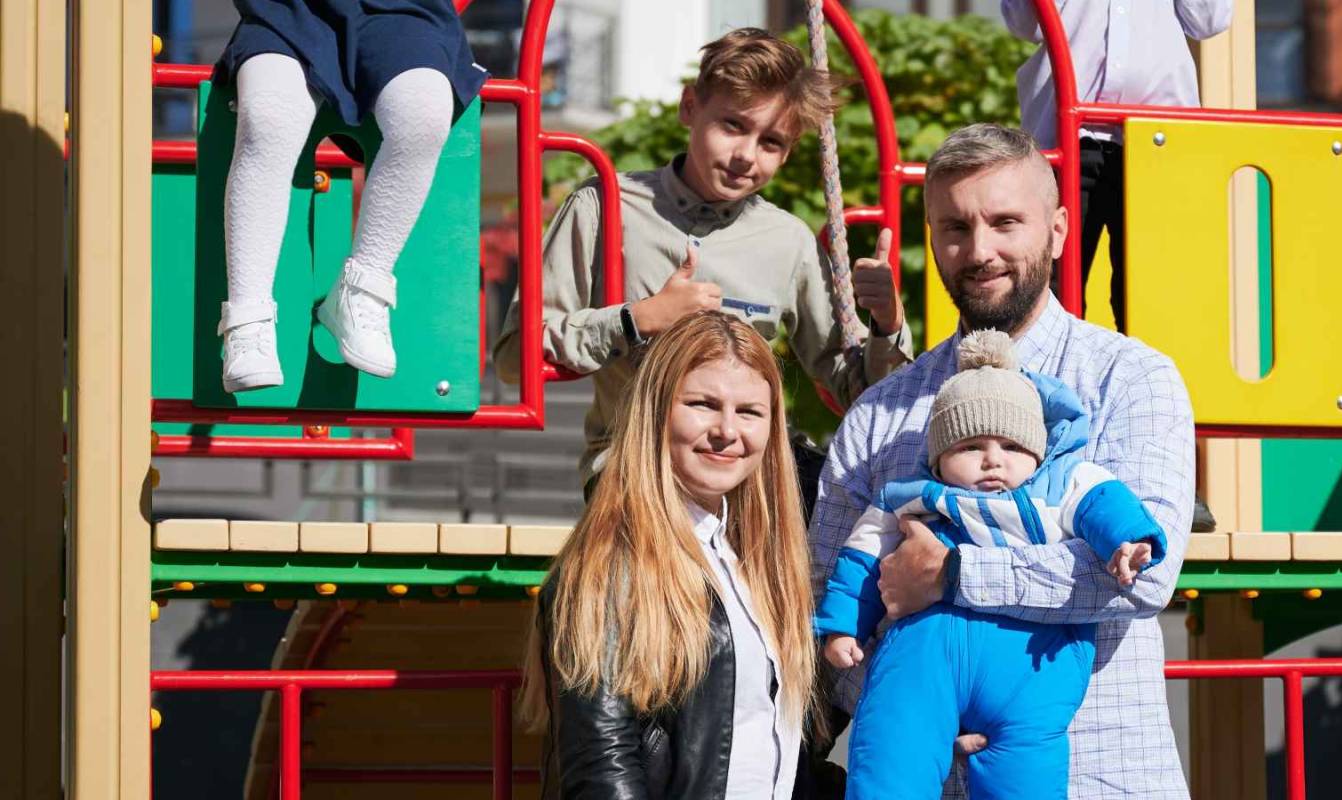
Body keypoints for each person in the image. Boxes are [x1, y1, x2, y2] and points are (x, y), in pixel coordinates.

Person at [811, 123, 1196, 798]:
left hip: (1097, 772)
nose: (979, 250)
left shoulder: (1129, 379)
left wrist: (954, 575)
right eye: (955, 228)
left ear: (1057, 229)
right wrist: (925, 707)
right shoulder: (879, 415)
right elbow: (827, 600)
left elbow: (1143, 576)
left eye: (1005, 222)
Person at [494, 28, 911, 500]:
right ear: (690, 107)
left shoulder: (787, 241)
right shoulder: (605, 206)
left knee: (874, 506)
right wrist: (635, 320)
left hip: (751, 470)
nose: (745, 156)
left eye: (770, 143)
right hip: (639, 467)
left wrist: (886, 326)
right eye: (732, 126)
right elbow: (514, 357)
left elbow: (858, 391)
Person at [816, 330, 1165, 799]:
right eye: (970, 447)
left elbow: (1107, 505)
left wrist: (1128, 543)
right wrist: (843, 627)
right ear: (938, 459)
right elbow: (857, 559)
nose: (993, 461)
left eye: (1013, 447)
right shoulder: (909, 497)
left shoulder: (1062, 486)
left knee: (1028, 774)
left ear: (1038, 453)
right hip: (924, 668)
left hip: (1030, 673)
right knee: (892, 750)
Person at [522, 311, 820, 798]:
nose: (727, 430)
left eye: (749, 412)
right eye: (703, 404)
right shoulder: (610, 567)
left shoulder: (754, 564)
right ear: (658, 412)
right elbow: (602, 773)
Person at [215, 0, 488, 391]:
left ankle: (364, 288)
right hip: (284, 9)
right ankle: (247, 316)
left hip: (402, 10)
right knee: (269, 117)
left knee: (424, 111)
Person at [1001, 0, 1233, 328]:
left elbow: (1209, 20)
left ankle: (1139, 377)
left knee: (1145, 290)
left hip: (1156, 138)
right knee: (1053, 285)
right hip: (1068, 134)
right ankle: (1050, 375)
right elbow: (1026, 24)